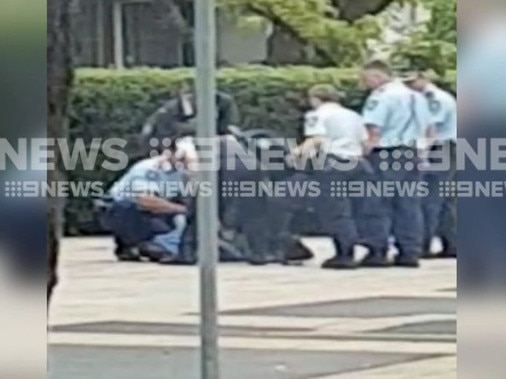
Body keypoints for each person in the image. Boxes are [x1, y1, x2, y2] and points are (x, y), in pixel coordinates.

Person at [264, 84, 363, 268]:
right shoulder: (353, 115)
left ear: (315, 99)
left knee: (333, 209)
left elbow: (316, 139)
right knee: (344, 208)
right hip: (355, 163)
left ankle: (344, 254)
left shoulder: (317, 114)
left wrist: (294, 154)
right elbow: (364, 140)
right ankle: (347, 249)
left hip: (331, 163)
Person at [360, 60, 433, 268]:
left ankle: (377, 250)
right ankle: (409, 251)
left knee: (378, 202)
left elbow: (373, 130)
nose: (365, 84)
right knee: (409, 203)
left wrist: (364, 152)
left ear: (377, 76)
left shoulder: (381, 96)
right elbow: (430, 130)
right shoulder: (418, 97)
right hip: (413, 152)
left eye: (366, 79)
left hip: (387, 153)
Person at [101, 135, 194, 264]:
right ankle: (138, 243)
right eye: (183, 158)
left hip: (148, 211)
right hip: (121, 210)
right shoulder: (149, 168)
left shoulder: (180, 173)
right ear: (169, 152)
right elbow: (145, 201)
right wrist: (184, 209)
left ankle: (142, 244)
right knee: (132, 209)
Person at [401, 68, 457, 258]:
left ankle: (423, 244)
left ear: (423, 78)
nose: (408, 86)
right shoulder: (430, 97)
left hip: (439, 148)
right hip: (446, 147)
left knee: (430, 198)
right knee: (444, 200)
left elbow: (430, 127)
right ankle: (452, 243)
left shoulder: (434, 98)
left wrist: (422, 152)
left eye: (411, 82)